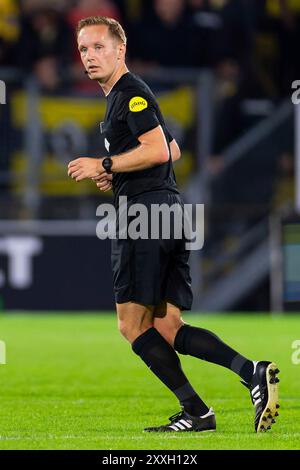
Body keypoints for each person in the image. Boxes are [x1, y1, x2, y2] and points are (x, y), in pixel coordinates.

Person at [68, 16, 280, 433]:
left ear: (119, 50)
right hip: (165, 212)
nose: (90, 57)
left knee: (132, 326)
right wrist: (121, 174)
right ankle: (250, 371)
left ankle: (197, 410)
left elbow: (159, 151)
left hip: (143, 217)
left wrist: (105, 163)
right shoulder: (124, 97)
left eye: (98, 47)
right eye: (83, 50)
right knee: (166, 325)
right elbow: (174, 147)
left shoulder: (130, 94)